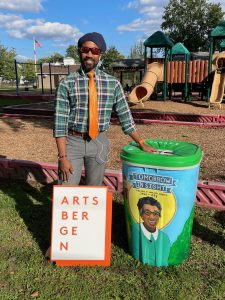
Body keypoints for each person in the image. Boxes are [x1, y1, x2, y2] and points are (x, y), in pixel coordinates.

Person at [54, 32, 156, 186]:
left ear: (100, 55)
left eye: (94, 51)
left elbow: (126, 118)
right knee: (66, 188)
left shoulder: (113, 84)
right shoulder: (66, 83)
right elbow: (60, 122)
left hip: (99, 142)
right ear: (79, 51)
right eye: (85, 49)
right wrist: (62, 157)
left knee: (94, 188)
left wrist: (141, 142)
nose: (89, 54)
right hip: (72, 142)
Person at [131, 197, 171, 267]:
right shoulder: (135, 230)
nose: (152, 217)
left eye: (156, 213)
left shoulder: (164, 238)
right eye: (147, 213)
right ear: (141, 215)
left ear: (159, 216)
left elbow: (164, 260)